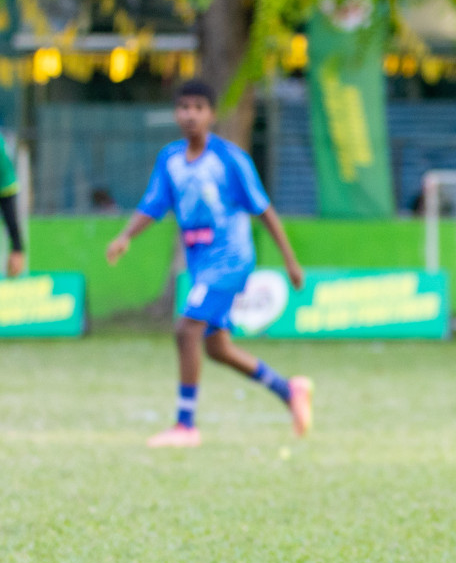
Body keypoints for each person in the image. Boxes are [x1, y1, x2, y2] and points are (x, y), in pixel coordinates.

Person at [106, 80, 313, 447]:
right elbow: (153, 205)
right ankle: (289, 390)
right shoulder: (170, 159)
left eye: (199, 107)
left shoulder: (230, 159)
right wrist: (125, 237)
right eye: (184, 107)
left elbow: (263, 210)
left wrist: (290, 260)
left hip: (231, 259)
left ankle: (186, 425)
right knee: (216, 347)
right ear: (176, 113)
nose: (190, 115)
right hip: (201, 263)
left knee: (187, 330)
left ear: (212, 114)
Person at [0, 133, 25, 278]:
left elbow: (11, 218)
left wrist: (17, 248)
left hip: (5, 187)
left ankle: (16, 254)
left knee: (13, 227)